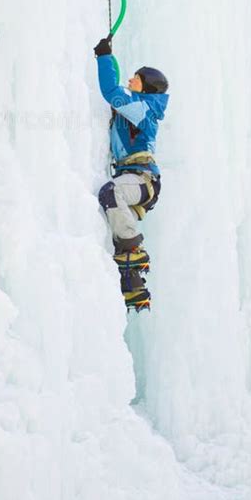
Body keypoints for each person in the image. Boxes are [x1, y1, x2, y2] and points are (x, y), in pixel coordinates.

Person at [94, 36, 169, 311]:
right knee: (114, 210)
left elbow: (112, 91)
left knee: (110, 193)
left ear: (146, 87)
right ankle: (131, 280)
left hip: (142, 180)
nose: (130, 81)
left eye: (135, 79)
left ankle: (132, 249)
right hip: (136, 180)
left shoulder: (143, 107)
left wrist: (104, 57)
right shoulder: (139, 108)